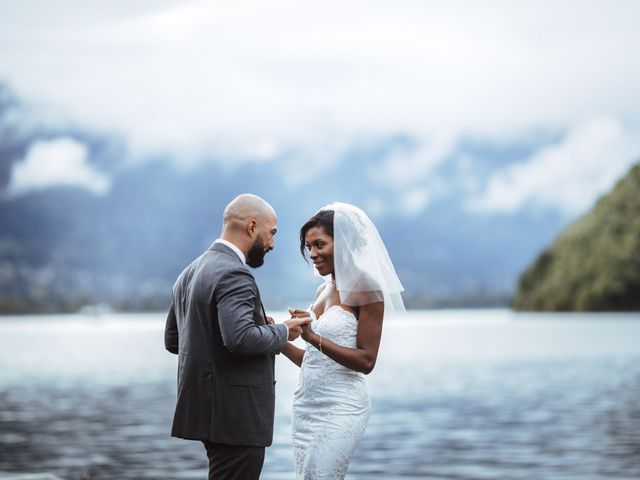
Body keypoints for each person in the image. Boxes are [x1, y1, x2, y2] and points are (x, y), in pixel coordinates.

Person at [164, 194, 311, 480]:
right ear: (252, 227)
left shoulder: (189, 272)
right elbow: (240, 338)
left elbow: (174, 341)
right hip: (236, 417)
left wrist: (259, 329)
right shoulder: (234, 273)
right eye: (272, 233)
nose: (271, 244)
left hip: (207, 415)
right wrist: (283, 331)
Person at [283, 202, 405, 479]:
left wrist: (312, 336)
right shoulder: (322, 290)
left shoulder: (367, 288)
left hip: (341, 407)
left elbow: (366, 361)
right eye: (308, 247)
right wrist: (277, 340)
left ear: (344, 242)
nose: (312, 254)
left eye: (319, 244)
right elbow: (313, 361)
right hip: (305, 408)